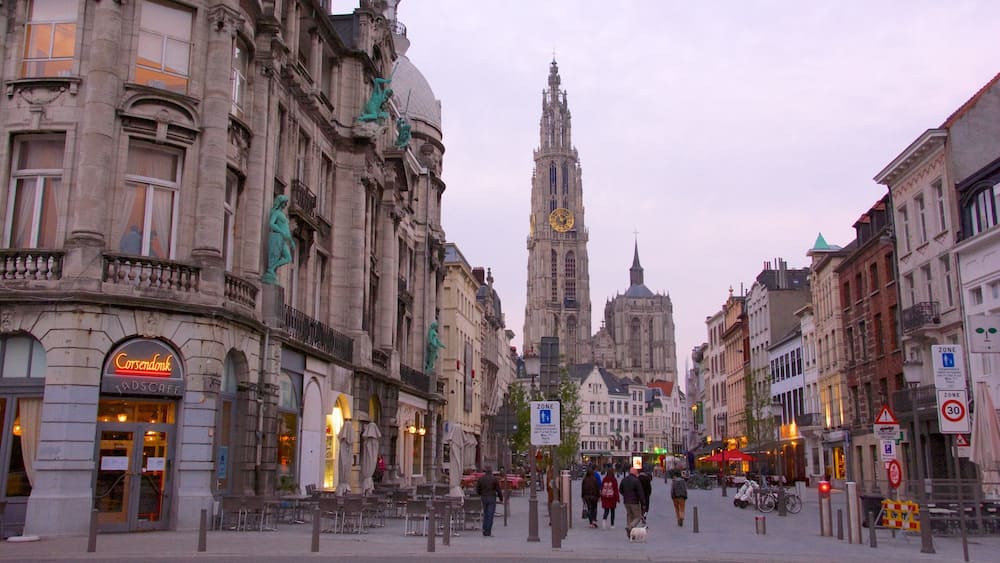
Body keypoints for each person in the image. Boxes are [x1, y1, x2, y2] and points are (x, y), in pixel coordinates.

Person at [262, 195, 294, 284]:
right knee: (285, 257)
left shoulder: (283, 214)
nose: (286, 205)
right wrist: (281, 232)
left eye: (286, 203)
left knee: (288, 258)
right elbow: (271, 224)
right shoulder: (276, 213)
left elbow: (286, 229)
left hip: (283, 239)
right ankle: (270, 269)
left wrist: (291, 241)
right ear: (281, 203)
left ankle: (271, 269)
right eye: (285, 203)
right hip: (278, 237)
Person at [619, 467, 646, 539]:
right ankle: (630, 527)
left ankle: (630, 533)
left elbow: (620, 489)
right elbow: (640, 492)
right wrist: (643, 503)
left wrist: (625, 495)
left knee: (629, 515)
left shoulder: (624, 479)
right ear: (634, 473)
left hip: (626, 501)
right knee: (638, 516)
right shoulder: (636, 481)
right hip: (634, 501)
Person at [476, 465, 503, 537]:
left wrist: (480, 494)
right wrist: (501, 498)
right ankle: (488, 531)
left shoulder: (481, 479)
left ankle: (484, 530)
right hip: (491, 497)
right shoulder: (494, 479)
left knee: (485, 514)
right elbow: (498, 489)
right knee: (490, 515)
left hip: (484, 497)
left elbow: (477, 489)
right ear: (491, 471)